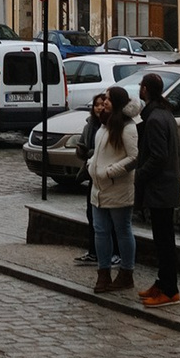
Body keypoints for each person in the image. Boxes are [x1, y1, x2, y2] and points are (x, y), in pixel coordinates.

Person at [133, 72, 180, 307]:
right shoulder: (165, 114)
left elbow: (159, 156)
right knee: (163, 240)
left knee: (164, 242)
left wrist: (140, 174)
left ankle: (169, 289)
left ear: (145, 90)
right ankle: (162, 283)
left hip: (160, 189)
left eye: (141, 86)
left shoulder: (154, 119)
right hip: (165, 187)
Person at [86, 86, 142, 293]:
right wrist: (92, 164)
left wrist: (110, 171)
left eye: (108, 99)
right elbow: (99, 152)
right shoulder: (103, 125)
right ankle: (103, 273)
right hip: (98, 188)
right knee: (100, 231)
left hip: (117, 188)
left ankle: (126, 273)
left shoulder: (127, 127)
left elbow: (134, 158)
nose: (104, 102)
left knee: (122, 230)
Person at [72, 93, 109, 266]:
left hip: (104, 174)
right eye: (97, 104)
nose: (100, 107)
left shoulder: (109, 126)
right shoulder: (90, 125)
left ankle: (108, 253)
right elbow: (83, 145)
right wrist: (81, 151)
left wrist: (91, 153)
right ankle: (93, 251)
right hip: (90, 172)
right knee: (90, 213)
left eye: (103, 104)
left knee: (104, 217)